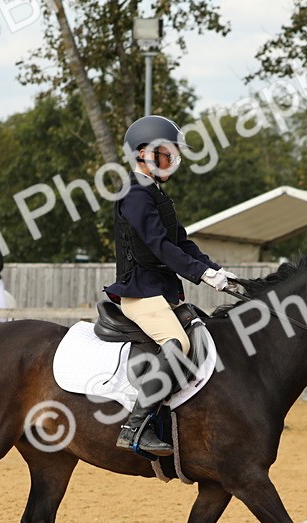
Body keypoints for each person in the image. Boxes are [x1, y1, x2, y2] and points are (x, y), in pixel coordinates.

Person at [103, 114, 239, 456]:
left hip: (161, 292)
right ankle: (134, 427)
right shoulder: (134, 194)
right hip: (139, 292)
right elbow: (159, 247)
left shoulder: (156, 193)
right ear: (145, 153)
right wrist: (200, 274)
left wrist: (216, 270)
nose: (173, 160)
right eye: (168, 153)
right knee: (177, 344)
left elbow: (181, 243)